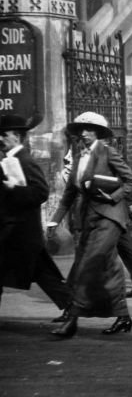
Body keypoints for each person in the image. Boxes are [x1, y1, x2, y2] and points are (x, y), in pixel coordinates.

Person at [47, 112, 132, 337]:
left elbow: (130, 180)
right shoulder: (78, 158)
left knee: (87, 265)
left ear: (98, 132)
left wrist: (113, 197)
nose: (84, 134)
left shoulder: (108, 152)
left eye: (89, 129)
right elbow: (69, 194)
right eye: (81, 130)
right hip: (88, 220)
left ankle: (72, 319)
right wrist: (54, 220)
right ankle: (123, 316)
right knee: (108, 269)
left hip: (109, 218)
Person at [0, 115, 72, 316]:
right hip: (16, 233)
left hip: (21, 233)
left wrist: (14, 188)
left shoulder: (24, 160)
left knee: (43, 273)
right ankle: (71, 307)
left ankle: (72, 308)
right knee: (42, 273)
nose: (1, 139)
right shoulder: (9, 159)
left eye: (4, 135)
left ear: (17, 136)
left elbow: (40, 192)